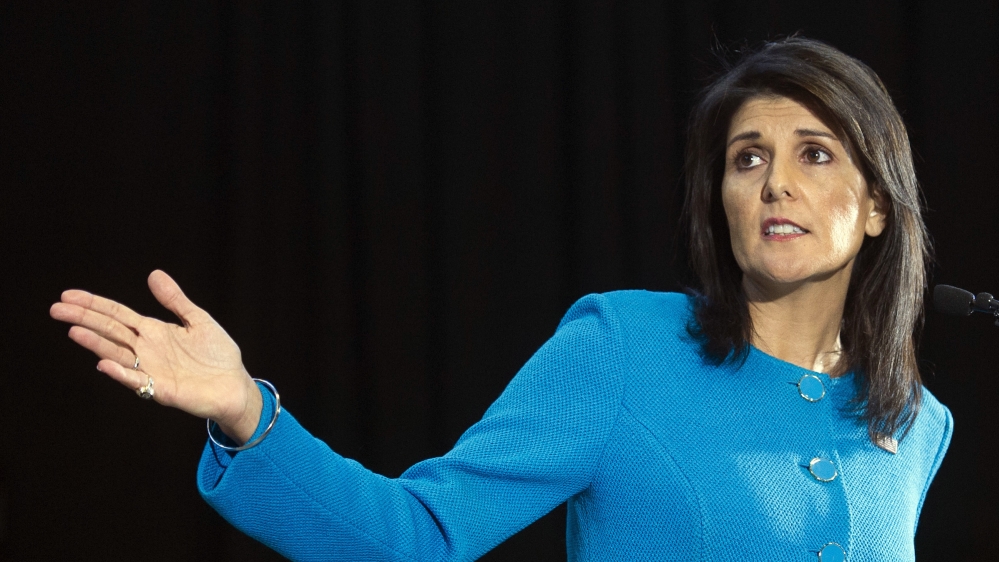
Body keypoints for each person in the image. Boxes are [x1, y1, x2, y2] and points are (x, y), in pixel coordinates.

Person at [49, 37, 952, 561]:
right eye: (746, 158)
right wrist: (247, 414)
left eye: (814, 153)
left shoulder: (917, 424)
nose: (774, 182)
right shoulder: (623, 347)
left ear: (879, 205)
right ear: (719, 199)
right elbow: (419, 538)